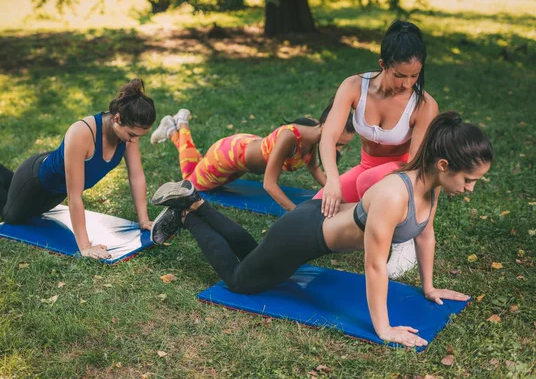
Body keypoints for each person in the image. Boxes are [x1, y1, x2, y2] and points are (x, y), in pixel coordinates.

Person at [150, 111, 493, 347]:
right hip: (304, 234)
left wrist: (430, 287)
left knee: (255, 256)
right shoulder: (394, 195)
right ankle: (188, 215)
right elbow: (375, 266)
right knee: (240, 281)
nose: (470, 189)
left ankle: (195, 203)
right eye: (469, 180)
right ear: (444, 165)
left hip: (310, 224)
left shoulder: (430, 188)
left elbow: (425, 235)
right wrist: (384, 328)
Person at [0, 78, 156, 259]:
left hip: (55, 191)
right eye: (132, 134)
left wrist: (143, 219)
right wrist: (85, 246)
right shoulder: (82, 133)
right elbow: (75, 196)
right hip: (35, 178)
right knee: (12, 216)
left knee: (25, 207)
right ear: (118, 118)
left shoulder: (127, 138)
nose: (134, 141)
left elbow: (136, 176)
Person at [318, 20, 439, 277]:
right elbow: (328, 136)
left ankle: (402, 240)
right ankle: (365, 230)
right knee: (318, 209)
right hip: (367, 167)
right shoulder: (354, 86)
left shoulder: (424, 105)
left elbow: (416, 167)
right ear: (383, 65)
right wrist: (332, 181)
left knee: (368, 181)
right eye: (400, 75)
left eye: (414, 75)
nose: (407, 84)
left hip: (405, 175)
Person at [149, 99, 355, 212]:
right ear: (327, 127)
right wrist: (295, 212)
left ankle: (171, 129)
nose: (337, 151)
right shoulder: (290, 137)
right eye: (337, 144)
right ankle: (180, 124)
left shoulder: (315, 137)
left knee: (197, 170)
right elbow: (269, 184)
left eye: (342, 146)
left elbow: (315, 169)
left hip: (243, 157)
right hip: (228, 155)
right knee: (190, 183)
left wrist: (336, 193)